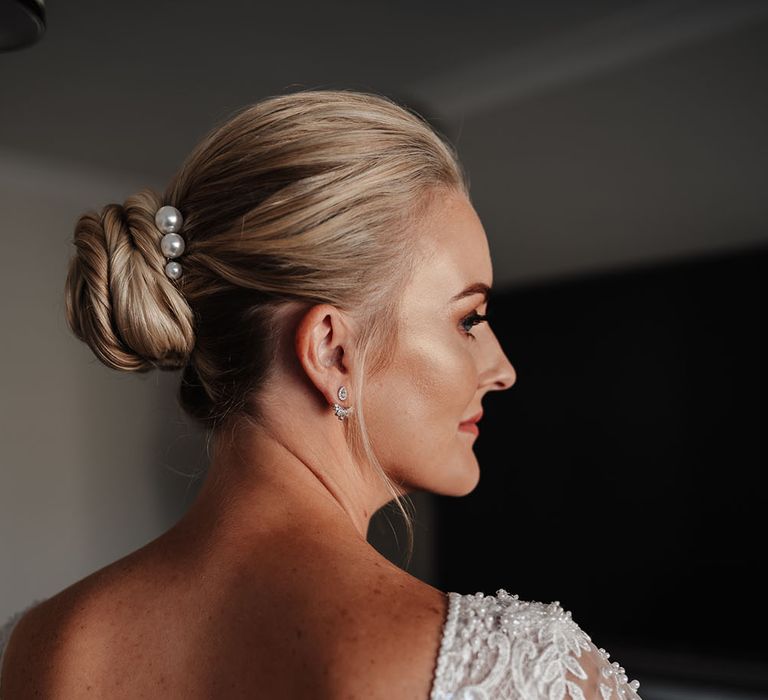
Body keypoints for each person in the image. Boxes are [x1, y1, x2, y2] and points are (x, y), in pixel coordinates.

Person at [0, 89, 642, 699]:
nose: (502, 368)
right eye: (467, 320)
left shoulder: (35, 648)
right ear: (333, 351)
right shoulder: (523, 672)